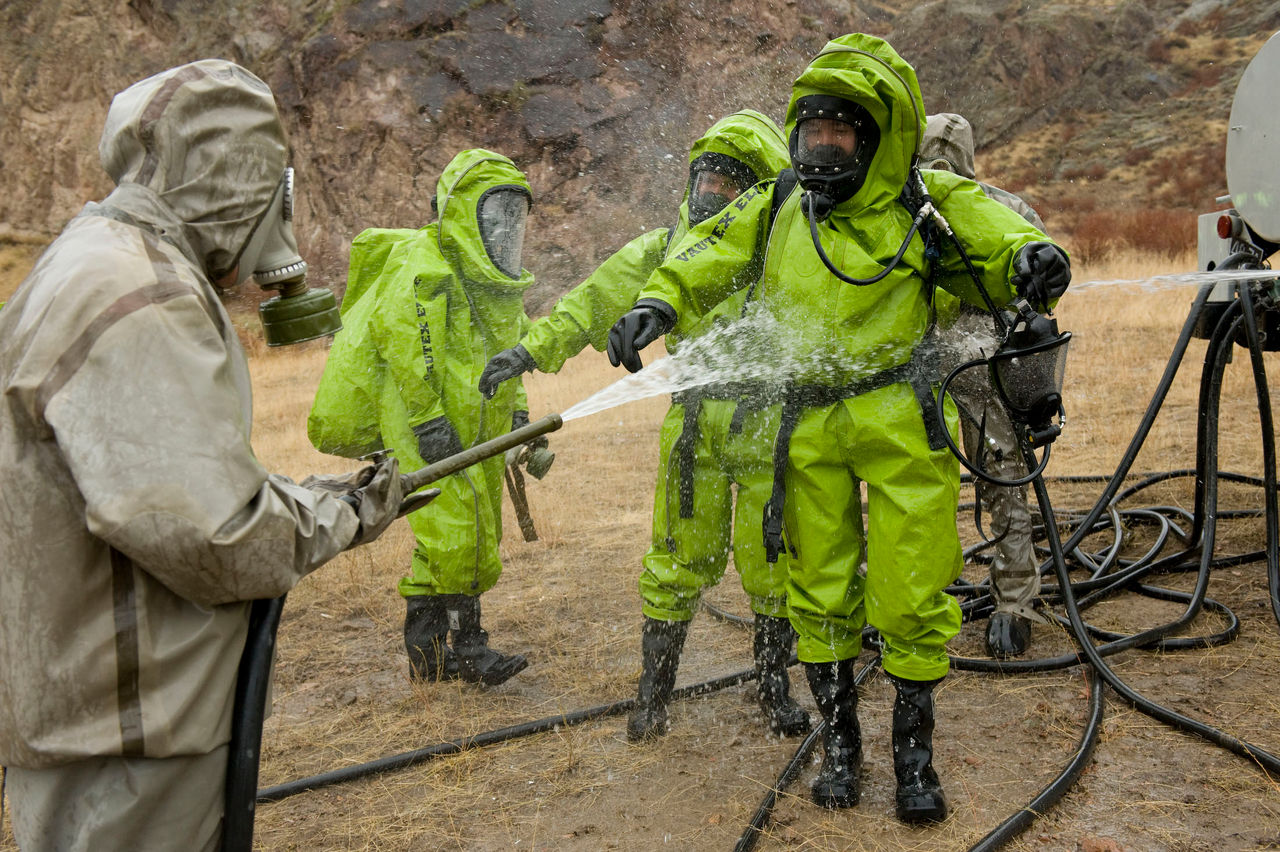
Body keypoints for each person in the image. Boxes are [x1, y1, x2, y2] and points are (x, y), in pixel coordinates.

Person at [606, 34, 1070, 823]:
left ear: (879, 138)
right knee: (816, 585)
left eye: (840, 134)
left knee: (911, 584)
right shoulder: (779, 203)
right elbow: (708, 252)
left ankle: (913, 757)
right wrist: (659, 302)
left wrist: (1035, 259)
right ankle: (840, 745)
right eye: (812, 132)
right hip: (808, 424)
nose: (822, 149)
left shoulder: (924, 202)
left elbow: (998, 234)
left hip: (900, 419)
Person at [0, 60, 403, 852]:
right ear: (240, 178)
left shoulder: (86, 258)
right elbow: (212, 535)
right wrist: (346, 514)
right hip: (132, 725)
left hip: (83, 703)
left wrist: (307, 498)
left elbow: (159, 478)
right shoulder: (141, 295)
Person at [478, 110, 809, 740]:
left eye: (729, 182)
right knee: (676, 558)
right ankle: (652, 695)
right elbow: (590, 300)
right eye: (705, 178)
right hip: (693, 430)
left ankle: (775, 688)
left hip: (768, 428)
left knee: (775, 560)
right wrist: (526, 352)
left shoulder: (788, 246)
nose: (712, 192)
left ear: (759, 189)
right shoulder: (665, 249)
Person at [308, 148, 542, 687]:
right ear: (462, 212)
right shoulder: (424, 265)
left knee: (463, 528)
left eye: (513, 214)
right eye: (495, 213)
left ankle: (428, 654)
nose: (505, 227)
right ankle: (469, 650)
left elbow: (511, 352)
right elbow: (406, 343)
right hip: (426, 422)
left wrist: (518, 411)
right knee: (457, 530)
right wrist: (428, 419)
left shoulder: (499, 285)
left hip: (477, 426)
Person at [919, 112, 1046, 658]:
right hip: (913, 377)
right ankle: (910, 598)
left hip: (981, 377)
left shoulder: (1003, 213)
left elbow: (1037, 293)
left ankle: (1016, 602)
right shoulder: (896, 212)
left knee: (1004, 477)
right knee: (914, 491)